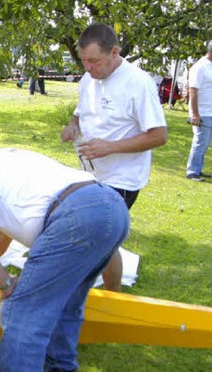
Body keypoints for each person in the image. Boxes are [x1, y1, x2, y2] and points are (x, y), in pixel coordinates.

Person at [0, 149, 129, 372]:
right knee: (66, 302)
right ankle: (61, 368)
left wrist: (5, 284)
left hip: (73, 217)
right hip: (111, 205)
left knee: (22, 309)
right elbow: (1, 237)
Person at [60, 23, 167, 292]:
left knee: (100, 236)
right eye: (84, 60)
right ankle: (105, 292)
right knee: (97, 236)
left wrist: (109, 147)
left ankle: (111, 294)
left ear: (115, 52)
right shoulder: (88, 79)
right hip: (92, 173)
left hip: (124, 178)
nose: (87, 67)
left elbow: (159, 136)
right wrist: (73, 125)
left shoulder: (138, 82)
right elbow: (80, 110)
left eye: (94, 60)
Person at [184, 38, 212, 182]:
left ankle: (198, 168)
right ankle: (192, 171)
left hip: (211, 111)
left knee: (205, 142)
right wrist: (195, 113)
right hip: (203, 112)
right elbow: (193, 90)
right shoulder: (200, 66)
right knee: (200, 141)